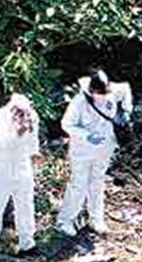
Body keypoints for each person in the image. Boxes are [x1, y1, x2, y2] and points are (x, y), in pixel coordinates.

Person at [56, 70, 133, 236]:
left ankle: (96, 219)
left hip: (105, 147)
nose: (103, 97)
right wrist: (86, 135)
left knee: (97, 182)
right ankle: (65, 221)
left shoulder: (113, 92)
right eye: (100, 94)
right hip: (82, 150)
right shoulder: (79, 102)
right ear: (92, 91)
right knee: (78, 184)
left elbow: (126, 88)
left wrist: (126, 111)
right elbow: (66, 124)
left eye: (105, 93)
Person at [0, 93, 40, 255]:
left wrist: (34, 157)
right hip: (0, 167)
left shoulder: (32, 116)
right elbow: (4, 144)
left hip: (22, 166)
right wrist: (19, 130)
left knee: (25, 205)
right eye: (19, 112)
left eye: (26, 112)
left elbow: (33, 141)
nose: (23, 115)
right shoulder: (0, 117)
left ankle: (27, 244)